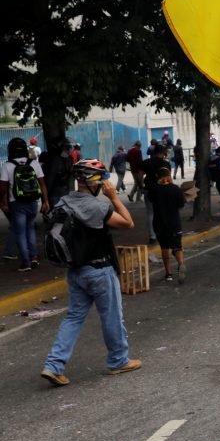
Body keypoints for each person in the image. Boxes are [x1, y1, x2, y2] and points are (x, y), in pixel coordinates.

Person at [40, 159, 140, 386]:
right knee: (112, 317)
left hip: (75, 271)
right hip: (100, 271)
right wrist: (114, 197)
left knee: (73, 318)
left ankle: (53, 365)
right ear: (94, 182)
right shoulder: (97, 207)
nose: (105, 182)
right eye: (102, 179)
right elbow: (128, 223)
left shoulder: (63, 203)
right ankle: (119, 361)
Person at [0, 137, 49, 272]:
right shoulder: (34, 164)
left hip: (16, 203)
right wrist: (45, 201)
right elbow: (42, 184)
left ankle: (26, 262)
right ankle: (33, 257)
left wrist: (2, 202)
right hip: (33, 202)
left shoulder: (7, 166)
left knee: (20, 232)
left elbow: (2, 188)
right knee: (30, 229)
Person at [152, 166, 186, 284]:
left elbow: (151, 201)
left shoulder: (154, 190)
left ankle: (168, 273)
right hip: (174, 222)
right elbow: (181, 204)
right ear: (169, 176)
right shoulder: (175, 189)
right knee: (177, 246)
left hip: (159, 223)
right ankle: (181, 264)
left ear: (158, 177)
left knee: (164, 247)